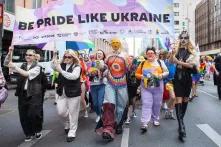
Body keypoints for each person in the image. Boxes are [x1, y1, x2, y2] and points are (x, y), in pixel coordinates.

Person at [6, 48, 44, 142]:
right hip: (22, 93)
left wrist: (14, 67)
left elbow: (27, 74)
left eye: (30, 55)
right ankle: (28, 133)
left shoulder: (37, 67)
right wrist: (10, 52)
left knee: (34, 114)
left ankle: (37, 130)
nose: (27, 56)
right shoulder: (23, 65)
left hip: (34, 93)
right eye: (26, 54)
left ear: (35, 57)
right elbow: (7, 62)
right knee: (23, 114)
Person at [96, 38, 129, 141]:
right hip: (110, 83)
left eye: (117, 43)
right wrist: (101, 66)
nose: (115, 44)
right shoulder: (108, 55)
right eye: (113, 43)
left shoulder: (125, 55)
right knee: (109, 104)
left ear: (120, 44)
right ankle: (108, 128)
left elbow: (129, 68)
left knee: (121, 106)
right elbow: (105, 68)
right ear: (111, 44)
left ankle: (118, 124)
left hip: (122, 83)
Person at [170, 31, 199, 142]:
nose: (183, 39)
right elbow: (171, 61)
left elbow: (191, 65)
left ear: (188, 39)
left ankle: (180, 121)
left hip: (187, 78)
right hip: (177, 78)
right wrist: (172, 54)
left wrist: (179, 62)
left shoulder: (192, 52)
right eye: (181, 38)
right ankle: (181, 126)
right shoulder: (176, 50)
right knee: (178, 99)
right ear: (179, 39)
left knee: (186, 99)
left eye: (185, 38)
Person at [135, 47, 169, 133]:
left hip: (158, 86)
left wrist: (161, 75)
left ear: (155, 54)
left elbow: (167, 72)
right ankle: (144, 122)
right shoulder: (142, 63)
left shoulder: (160, 62)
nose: (150, 54)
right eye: (148, 53)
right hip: (146, 87)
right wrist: (142, 76)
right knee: (146, 103)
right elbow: (136, 74)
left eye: (152, 53)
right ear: (146, 55)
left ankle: (155, 119)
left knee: (157, 104)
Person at [51, 49, 81, 142]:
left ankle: (72, 131)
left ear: (73, 58)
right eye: (65, 56)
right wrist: (55, 55)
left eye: (69, 57)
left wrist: (61, 71)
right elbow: (53, 66)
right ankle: (67, 122)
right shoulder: (61, 65)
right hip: (61, 92)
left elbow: (73, 76)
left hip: (73, 93)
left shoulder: (77, 66)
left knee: (73, 113)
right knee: (61, 112)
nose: (67, 58)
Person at [89, 50, 106, 123]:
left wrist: (101, 69)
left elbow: (106, 71)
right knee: (95, 104)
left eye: (100, 54)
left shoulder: (105, 63)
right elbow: (88, 72)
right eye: (98, 53)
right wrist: (90, 73)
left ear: (103, 56)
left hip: (101, 85)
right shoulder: (92, 62)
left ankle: (102, 115)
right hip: (93, 85)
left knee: (100, 102)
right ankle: (99, 114)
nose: (99, 55)